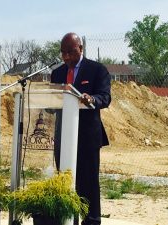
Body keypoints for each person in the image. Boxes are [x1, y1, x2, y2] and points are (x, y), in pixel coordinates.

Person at [51, 32, 111, 225]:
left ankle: (91, 220)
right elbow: (52, 104)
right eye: (63, 53)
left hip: (87, 136)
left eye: (71, 52)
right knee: (65, 181)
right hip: (63, 136)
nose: (67, 57)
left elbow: (105, 97)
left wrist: (92, 99)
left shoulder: (97, 70)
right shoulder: (57, 73)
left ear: (81, 49)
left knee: (88, 182)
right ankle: (68, 218)